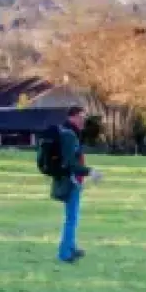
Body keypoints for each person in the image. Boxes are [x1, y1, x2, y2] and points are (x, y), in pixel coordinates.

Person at [50, 106, 103, 264]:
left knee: (73, 216)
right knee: (71, 218)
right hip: (70, 180)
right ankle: (64, 253)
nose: (83, 121)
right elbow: (71, 163)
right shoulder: (69, 135)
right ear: (72, 117)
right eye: (80, 117)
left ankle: (71, 247)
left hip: (70, 179)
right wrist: (90, 171)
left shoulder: (68, 132)